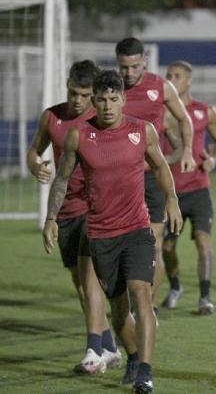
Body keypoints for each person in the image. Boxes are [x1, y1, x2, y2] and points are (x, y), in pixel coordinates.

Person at [42, 70, 182, 393]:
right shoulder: (79, 135)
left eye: (113, 99)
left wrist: (172, 198)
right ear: (95, 101)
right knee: (118, 312)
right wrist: (52, 218)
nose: (107, 106)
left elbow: (160, 165)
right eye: (101, 100)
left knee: (140, 295)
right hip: (101, 235)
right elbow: (62, 179)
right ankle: (132, 356)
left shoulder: (141, 131)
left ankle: (145, 372)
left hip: (136, 229)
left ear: (123, 99)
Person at [27, 60, 123, 373]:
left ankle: (94, 351)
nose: (78, 100)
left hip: (96, 210)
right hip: (65, 210)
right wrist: (34, 165)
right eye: (73, 92)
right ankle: (110, 345)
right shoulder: (52, 117)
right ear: (67, 85)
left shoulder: (102, 121)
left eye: (84, 94)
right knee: (80, 284)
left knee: (89, 280)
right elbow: (35, 149)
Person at [116, 37, 195, 311]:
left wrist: (186, 152)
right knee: (119, 248)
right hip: (118, 181)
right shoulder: (110, 90)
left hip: (151, 178)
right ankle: (125, 303)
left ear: (144, 62)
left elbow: (185, 119)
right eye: (123, 67)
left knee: (153, 245)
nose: (129, 73)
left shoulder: (160, 86)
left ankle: (145, 309)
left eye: (134, 66)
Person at [159, 61, 216, 315]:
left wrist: (214, 159)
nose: (171, 79)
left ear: (189, 81)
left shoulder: (204, 111)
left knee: (203, 241)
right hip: (170, 191)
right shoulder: (161, 112)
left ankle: (205, 297)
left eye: (176, 76)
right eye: (168, 75)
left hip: (199, 188)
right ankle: (176, 287)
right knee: (166, 247)